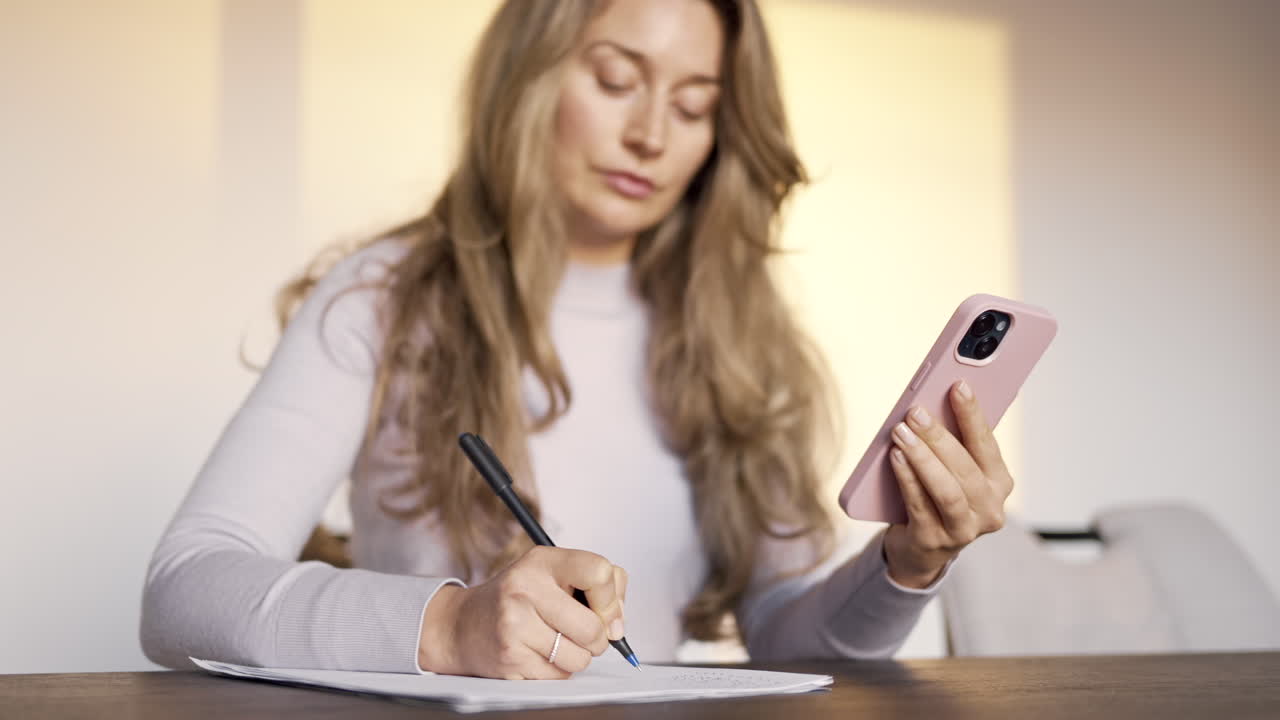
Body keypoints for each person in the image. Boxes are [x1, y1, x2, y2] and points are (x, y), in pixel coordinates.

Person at [141, 0, 1013, 680]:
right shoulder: (385, 297)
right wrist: (447, 626)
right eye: (613, 77)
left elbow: (789, 635)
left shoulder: (741, 337)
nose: (651, 136)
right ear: (530, 77)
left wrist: (907, 564)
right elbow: (183, 590)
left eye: (695, 105)